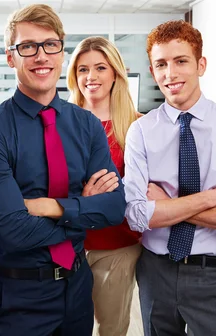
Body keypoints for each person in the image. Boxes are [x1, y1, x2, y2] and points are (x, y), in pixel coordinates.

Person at [0, 4, 127, 336]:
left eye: (50, 44)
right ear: (11, 57)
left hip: (78, 287)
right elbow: (13, 230)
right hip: (22, 296)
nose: (41, 56)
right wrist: (82, 212)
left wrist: (52, 207)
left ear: (61, 50)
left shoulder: (87, 125)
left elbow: (114, 208)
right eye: (28, 47)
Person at [124, 20, 216, 336]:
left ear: (201, 64)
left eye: (181, 61)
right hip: (156, 273)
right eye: (161, 64)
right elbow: (135, 215)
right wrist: (212, 198)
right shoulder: (142, 132)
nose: (170, 74)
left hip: (213, 274)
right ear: (151, 69)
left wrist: (166, 206)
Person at [66, 36, 141, 336]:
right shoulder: (59, 123)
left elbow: (140, 193)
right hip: (68, 244)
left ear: (115, 74)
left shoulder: (136, 127)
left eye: (100, 68)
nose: (91, 77)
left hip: (117, 246)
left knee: (110, 328)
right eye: (83, 69)